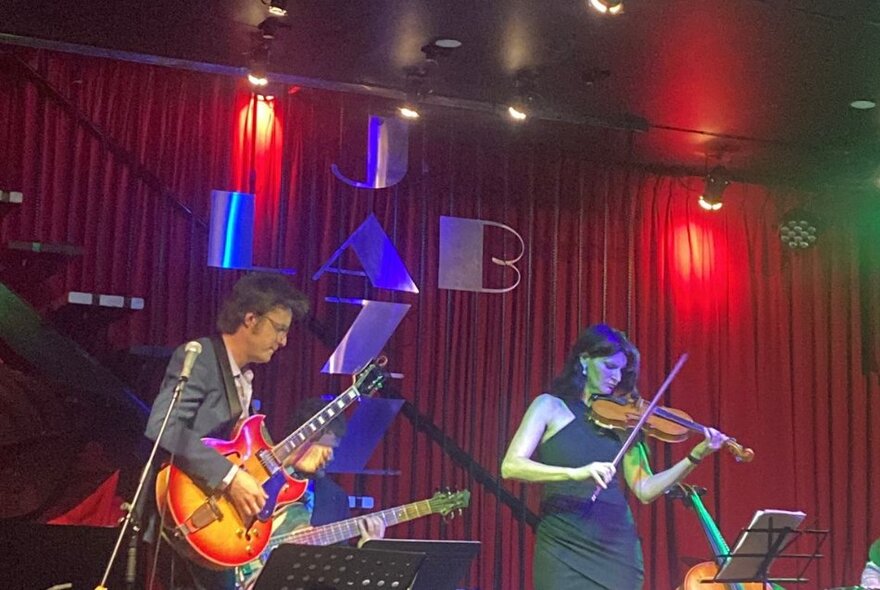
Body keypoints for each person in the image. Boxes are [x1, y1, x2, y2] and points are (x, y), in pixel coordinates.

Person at [501, 324, 729, 590]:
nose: (617, 377)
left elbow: (645, 489)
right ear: (584, 360)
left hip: (616, 544)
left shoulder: (625, 423)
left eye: (621, 369)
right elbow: (511, 466)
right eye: (610, 366)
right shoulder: (549, 406)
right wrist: (574, 473)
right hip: (562, 542)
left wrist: (694, 456)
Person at [144, 273, 330, 590]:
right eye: (279, 328)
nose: (283, 341)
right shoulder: (201, 357)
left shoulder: (244, 379)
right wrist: (230, 478)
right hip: (191, 517)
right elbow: (163, 426)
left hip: (222, 526)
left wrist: (290, 461)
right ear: (250, 318)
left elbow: (247, 459)